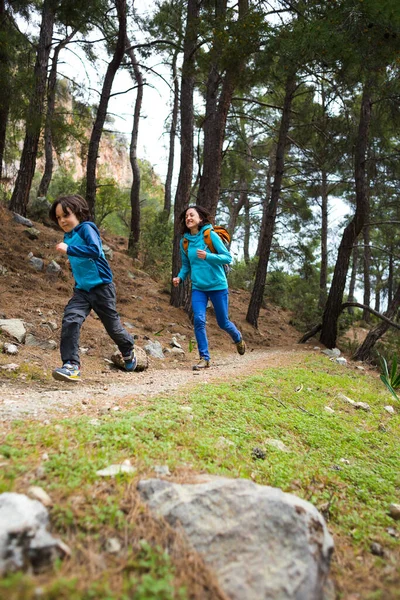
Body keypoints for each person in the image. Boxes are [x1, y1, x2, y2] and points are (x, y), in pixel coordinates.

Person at [49, 194, 136, 382]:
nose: (62, 220)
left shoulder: (87, 228)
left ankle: (128, 349)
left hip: (102, 288)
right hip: (82, 290)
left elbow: (95, 251)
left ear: (78, 212)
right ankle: (71, 365)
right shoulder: (68, 236)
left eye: (66, 215)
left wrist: (69, 249)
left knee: (112, 327)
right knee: (71, 320)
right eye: (58, 217)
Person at [172, 205, 245, 370]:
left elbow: (227, 258)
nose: (188, 218)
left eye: (192, 215)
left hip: (218, 285)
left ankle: (237, 337)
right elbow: (186, 266)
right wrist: (180, 277)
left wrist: (208, 256)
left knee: (223, 322)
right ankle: (204, 358)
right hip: (199, 288)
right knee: (198, 320)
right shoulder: (184, 242)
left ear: (200, 219)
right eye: (186, 217)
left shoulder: (210, 235)